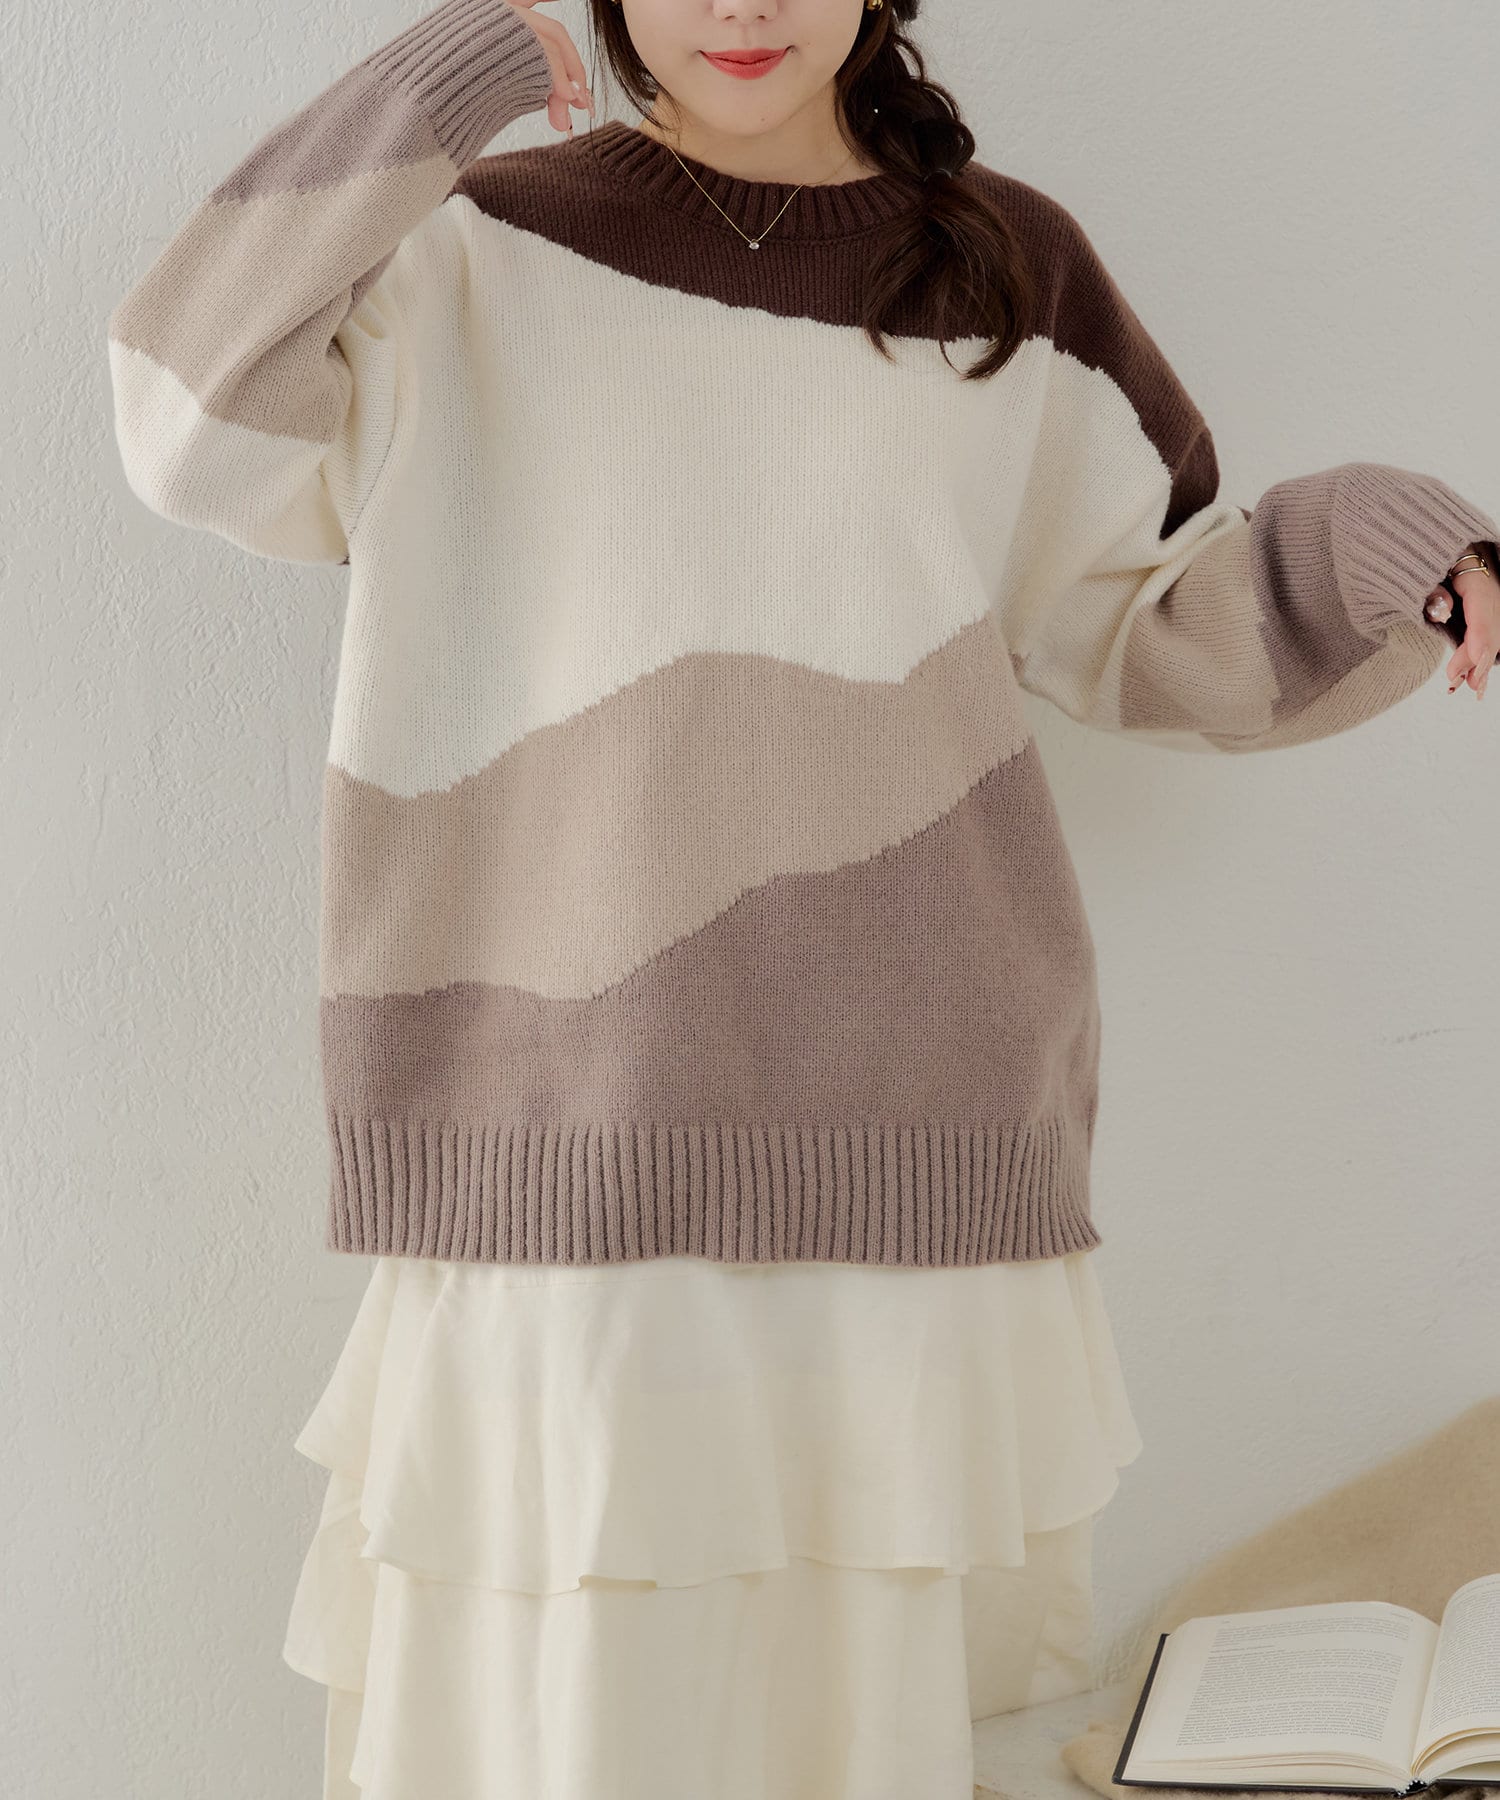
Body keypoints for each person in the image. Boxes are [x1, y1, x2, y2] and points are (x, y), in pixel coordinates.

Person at [104, 1, 1499, 1794]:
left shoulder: (1006, 272)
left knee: (848, 1742)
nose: (745, 8)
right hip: (562, 1131)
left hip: (909, 1130)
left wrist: (1389, 546)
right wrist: (442, 78)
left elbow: (1153, 618)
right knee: (553, 1727)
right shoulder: (467, 249)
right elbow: (185, 426)